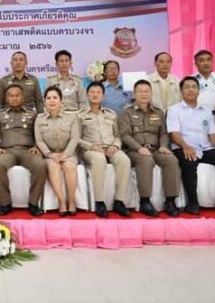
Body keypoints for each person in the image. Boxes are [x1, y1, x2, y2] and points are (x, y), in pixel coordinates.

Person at [167, 76, 215, 216]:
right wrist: (185, 146)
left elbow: (213, 133)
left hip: (205, 148)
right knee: (189, 160)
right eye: (187, 87)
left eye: (194, 87)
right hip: (183, 147)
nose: (191, 90)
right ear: (181, 91)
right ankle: (193, 203)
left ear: (198, 91)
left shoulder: (206, 111)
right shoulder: (174, 110)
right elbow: (174, 133)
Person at [118, 80, 180, 217]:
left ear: (151, 93)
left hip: (156, 149)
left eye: (147, 91)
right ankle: (145, 201)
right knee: (146, 160)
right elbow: (125, 135)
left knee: (171, 159)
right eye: (140, 91)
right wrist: (138, 148)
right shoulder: (126, 112)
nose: (144, 94)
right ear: (134, 94)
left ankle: (170, 201)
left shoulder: (159, 112)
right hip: (134, 150)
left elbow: (164, 133)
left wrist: (163, 146)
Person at [78, 81, 131, 218]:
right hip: (91, 150)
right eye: (92, 92)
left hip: (111, 147)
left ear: (103, 96)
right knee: (99, 159)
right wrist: (91, 146)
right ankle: (100, 202)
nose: (95, 95)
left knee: (124, 160)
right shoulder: (79, 115)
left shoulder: (111, 114)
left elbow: (118, 135)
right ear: (87, 94)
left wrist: (115, 145)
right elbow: (76, 138)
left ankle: (119, 201)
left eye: (98, 92)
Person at [0, 84, 46, 217]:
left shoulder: (32, 114)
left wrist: (37, 146)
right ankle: (5, 203)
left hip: (28, 151)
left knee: (40, 165)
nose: (14, 98)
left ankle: (33, 203)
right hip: (7, 151)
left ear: (23, 98)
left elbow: (39, 133)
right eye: (11, 96)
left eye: (17, 95)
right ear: (6, 98)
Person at [34, 86, 79, 216]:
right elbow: (39, 140)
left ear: (61, 100)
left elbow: (74, 138)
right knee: (53, 167)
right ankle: (61, 202)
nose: (52, 101)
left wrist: (66, 154)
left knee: (69, 166)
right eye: (48, 98)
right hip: (50, 154)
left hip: (68, 153)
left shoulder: (71, 118)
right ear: (44, 101)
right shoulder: (39, 119)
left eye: (55, 98)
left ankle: (71, 201)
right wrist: (49, 154)